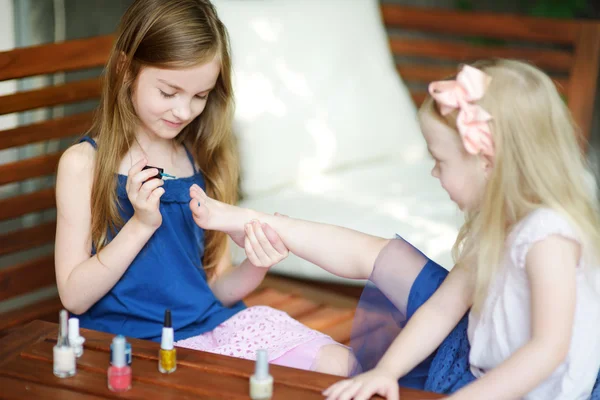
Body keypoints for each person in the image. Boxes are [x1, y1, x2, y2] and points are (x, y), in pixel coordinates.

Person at [188, 59, 600, 399]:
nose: (434, 173)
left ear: (486, 164)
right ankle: (259, 221)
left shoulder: (547, 236)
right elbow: (442, 307)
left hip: (532, 389)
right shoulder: (494, 222)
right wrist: (385, 371)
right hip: (477, 357)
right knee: (391, 268)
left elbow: (546, 350)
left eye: (440, 161)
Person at [54, 0, 354, 376]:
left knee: (346, 366)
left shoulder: (203, 157)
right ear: (125, 69)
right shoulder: (83, 165)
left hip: (216, 327)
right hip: (141, 345)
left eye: (200, 96)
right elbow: (74, 297)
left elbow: (216, 288)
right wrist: (141, 225)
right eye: (168, 92)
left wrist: (256, 266)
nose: (184, 111)